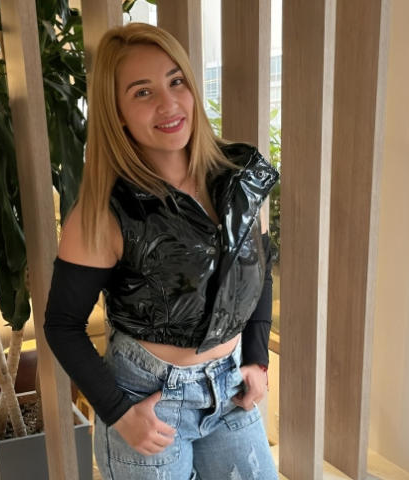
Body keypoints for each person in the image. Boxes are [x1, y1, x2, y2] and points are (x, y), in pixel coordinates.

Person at [44, 22, 279, 479]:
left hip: (231, 388)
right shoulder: (104, 211)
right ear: (117, 112)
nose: (168, 104)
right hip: (149, 402)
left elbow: (257, 268)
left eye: (176, 82)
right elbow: (62, 324)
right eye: (142, 92)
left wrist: (256, 356)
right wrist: (118, 412)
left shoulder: (240, 176)